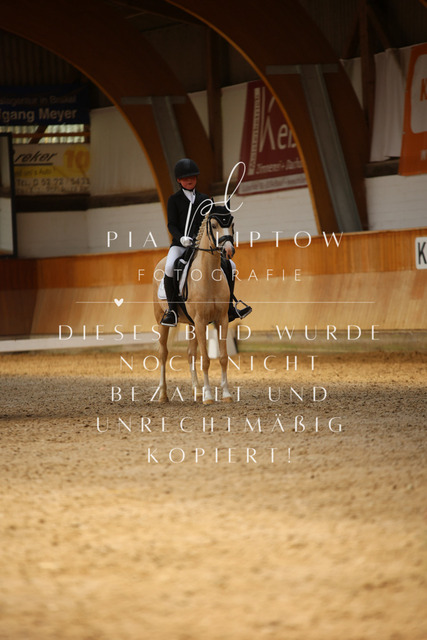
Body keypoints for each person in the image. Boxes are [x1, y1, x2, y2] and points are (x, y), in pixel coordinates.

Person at [160, 157, 252, 327]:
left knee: (231, 266)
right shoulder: (174, 200)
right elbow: (171, 224)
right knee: (170, 266)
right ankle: (172, 311)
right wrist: (181, 238)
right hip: (180, 245)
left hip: (201, 245)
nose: (189, 180)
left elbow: (210, 224)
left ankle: (230, 307)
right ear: (179, 180)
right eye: (186, 178)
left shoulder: (205, 200)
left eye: (192, 177)